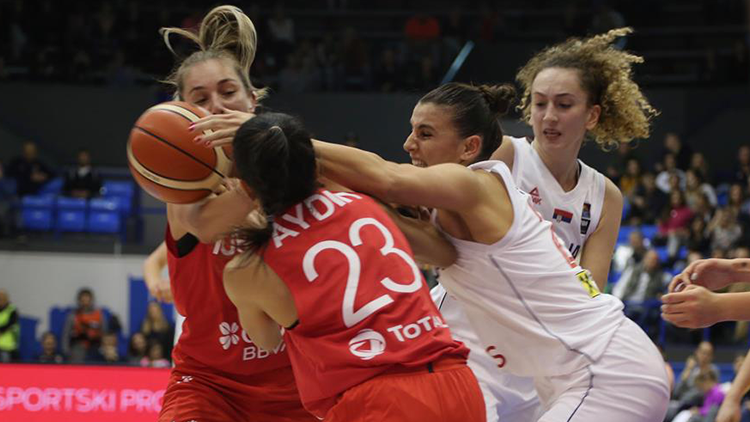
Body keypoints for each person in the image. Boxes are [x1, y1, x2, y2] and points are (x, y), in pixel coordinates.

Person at [313, 80, 670, 421]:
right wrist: (313, 178)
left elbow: (386, 177)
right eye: (412, 131)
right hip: (570, 374)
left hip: (605, 370)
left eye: (425, 133)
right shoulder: (452, 212)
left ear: (469, 148)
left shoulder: (476, 183)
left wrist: (288, 140)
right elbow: (419, 241)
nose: (408, 144)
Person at [224, 112, 485, 421]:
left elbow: (267, 342)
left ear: (246, 188)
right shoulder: (364, 205)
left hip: (379, 401)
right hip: (457, 383)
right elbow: (444, 253)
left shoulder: (251, 267)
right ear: (315, 166)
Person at [486, 25, 656, 420]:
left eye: (564, 105)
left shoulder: (605, 195)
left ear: (592, 115)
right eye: (539, 103)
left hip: (537, 358)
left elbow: (587, 294)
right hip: (472, 334)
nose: (549, 116)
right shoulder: (505, 156)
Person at [155, 6, 313, 422]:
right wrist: (273, 162)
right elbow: (204, 225)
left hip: (299, 380)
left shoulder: (298, 169)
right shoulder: (180, 181)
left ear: (252, 101)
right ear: (183, 111)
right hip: (209, 383)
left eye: (228, 92)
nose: (217, 106)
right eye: (200, 99)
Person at [61, 287, 107, 363]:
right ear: (79, 300)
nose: (85, 301)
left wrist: (104, 350)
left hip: (95, 348)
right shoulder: (72, 316)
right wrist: (66, 351)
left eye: (87, 298)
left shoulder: (99, 315)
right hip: (78, 347)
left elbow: (104, 334)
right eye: (83, 299)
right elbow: (66, 335)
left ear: (91, 299)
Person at [0, 289, 19, 362]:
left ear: (6, 299)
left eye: (2, 298)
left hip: (7, 346)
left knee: (5, 365)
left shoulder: (12, 310)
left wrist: (1, 330)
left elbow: (11, 323)